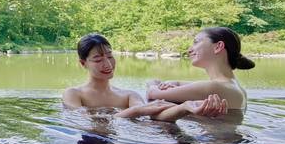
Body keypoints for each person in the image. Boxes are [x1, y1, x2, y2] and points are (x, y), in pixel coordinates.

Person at [63, 33, 228, 121]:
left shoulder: (128, 95)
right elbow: (83, 123)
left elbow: (153, 115)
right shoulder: (74, 94)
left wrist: (185, 108)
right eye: (98, 59)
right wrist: (135, 111)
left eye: (110, 56)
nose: (107, 64)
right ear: (83, 63)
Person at [145, 27, 255, 109]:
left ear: (218, 47)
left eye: (196, 42)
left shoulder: (214, 87)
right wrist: (169, 84)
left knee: (131, 97)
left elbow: (153, 95)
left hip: (208, 140)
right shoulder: (230, 86)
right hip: (220, 139)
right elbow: (178, 83)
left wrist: (152, 83)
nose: (189, 50)